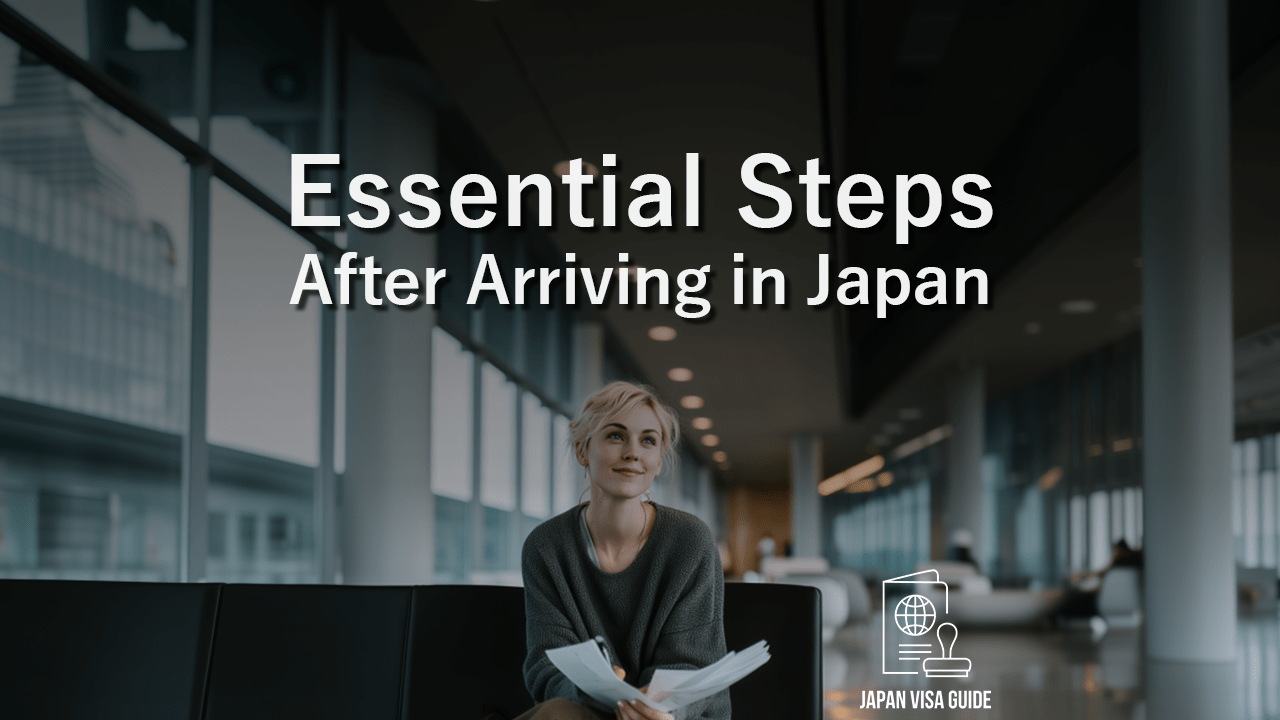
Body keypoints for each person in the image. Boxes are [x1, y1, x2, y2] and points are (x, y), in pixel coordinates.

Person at [514, 381, 728, 720]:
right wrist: (589, 689)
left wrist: (653, 705)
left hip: (670, 716)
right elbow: (546, 662)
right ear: (582, 450)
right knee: (557, 714)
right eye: (615, 436)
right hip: (589, 712)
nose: (633, 452)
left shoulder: (690, 540)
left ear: (658, 461)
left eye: (648, 441)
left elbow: (694, 663)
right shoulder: (546, 546)